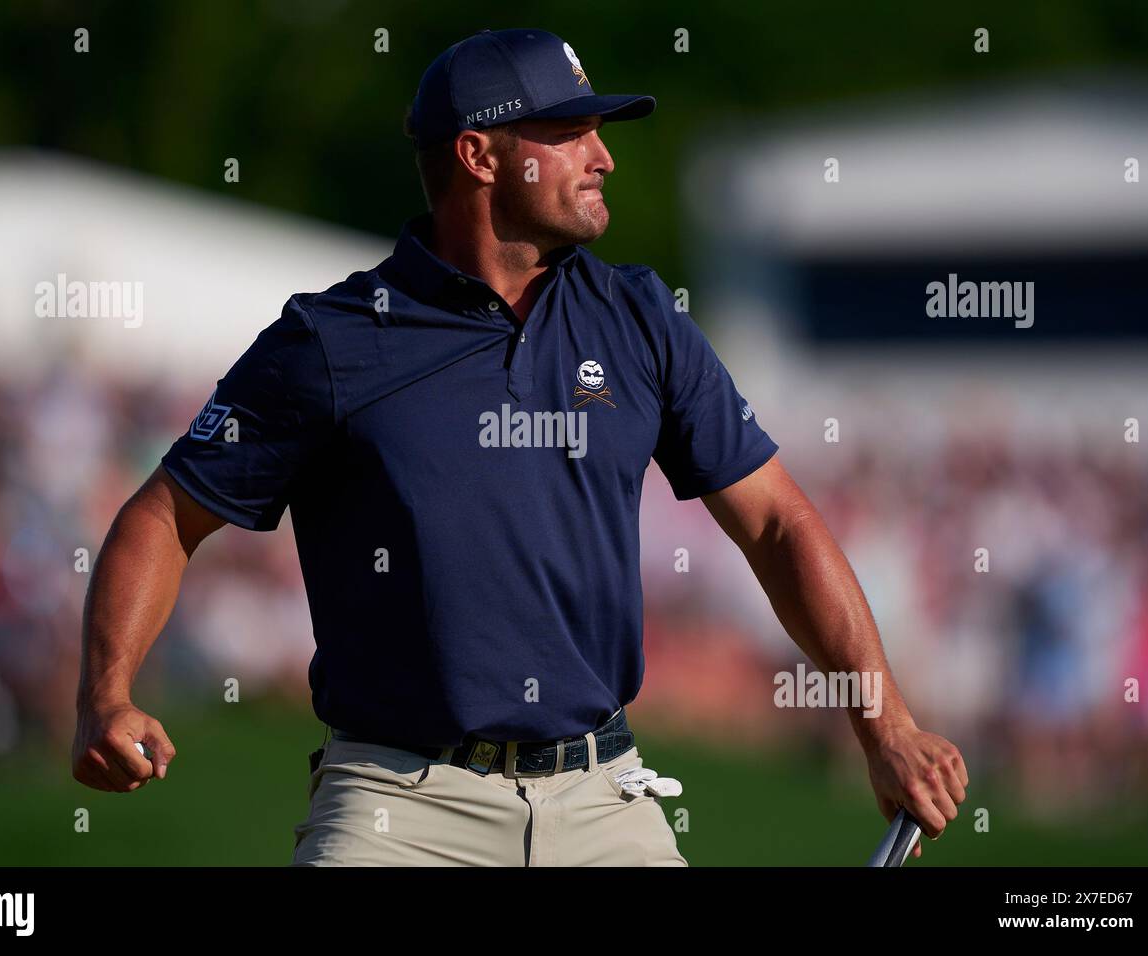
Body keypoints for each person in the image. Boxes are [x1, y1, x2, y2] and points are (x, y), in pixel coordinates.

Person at [71, 27, 967, 866]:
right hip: (399, 808)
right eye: (571, 133)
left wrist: (884, 728)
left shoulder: (641, 316)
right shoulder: (331, 339)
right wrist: (104, 698)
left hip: (605, 795)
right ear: (479, 155)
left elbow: (777, 525)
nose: (604, 157)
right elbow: (163, 514)